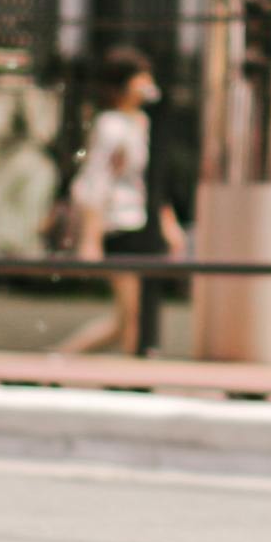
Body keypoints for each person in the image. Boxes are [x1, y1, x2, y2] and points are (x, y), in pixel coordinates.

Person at [59, 49, 182, 357]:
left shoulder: (140, 122)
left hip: (138, 222)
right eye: (141, 77)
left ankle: (63, 359)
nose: (148, 84)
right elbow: (97, 180)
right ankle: (69, 360)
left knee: (131, 317)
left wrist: (168, 224)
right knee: (132, 316)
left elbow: (148, 183)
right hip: (119, 224)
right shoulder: (111, 125)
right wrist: (91, 238)